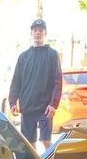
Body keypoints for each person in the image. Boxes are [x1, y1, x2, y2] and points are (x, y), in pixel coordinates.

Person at [8, 18, 62, 151]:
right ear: (31, 33)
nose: (38, 33)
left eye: (41, 30)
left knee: (46, 141)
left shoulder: (52, 55)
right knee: (29, 145)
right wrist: (13, 102)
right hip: (27, 108)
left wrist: (53, 104)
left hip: (45, 108)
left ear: (45, 33)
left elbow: (58, 81)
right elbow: (16, 81)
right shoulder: (23, 57)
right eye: (35, 30)